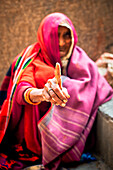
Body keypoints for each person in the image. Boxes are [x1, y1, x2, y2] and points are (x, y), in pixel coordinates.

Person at [0, 12, 113, 170]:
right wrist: (42, 94)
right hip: (34, 139)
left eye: (66, 35)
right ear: (45, 36)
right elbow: (21, 91)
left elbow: (98, 86)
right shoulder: (33, 59)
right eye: (55, 35)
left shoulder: (78, 56)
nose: (61, 42)